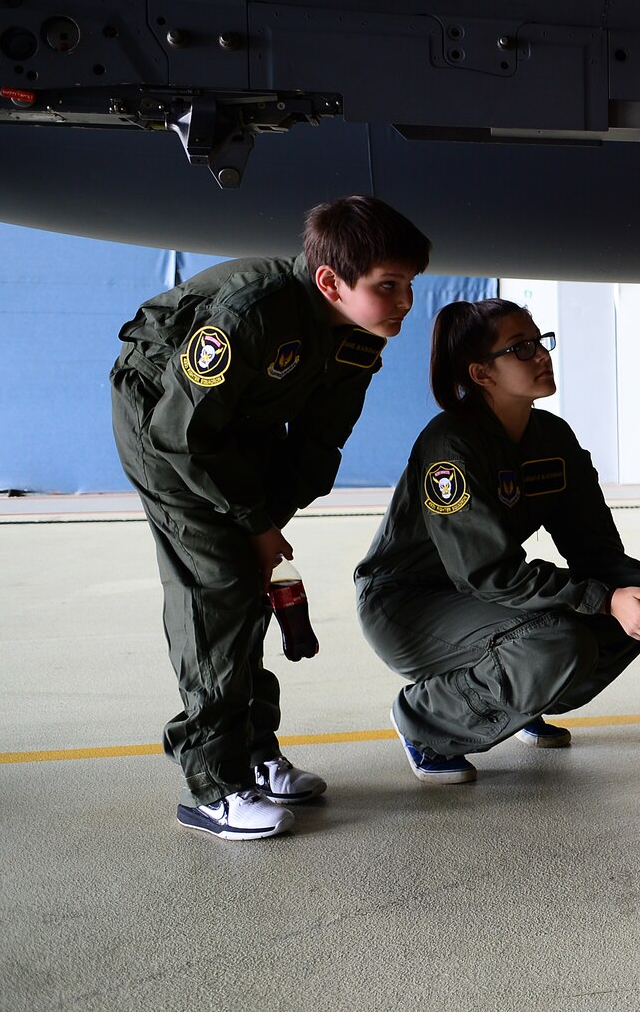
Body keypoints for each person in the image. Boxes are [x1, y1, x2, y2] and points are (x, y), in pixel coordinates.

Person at [110, 194, 430, 840]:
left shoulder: (359, 334)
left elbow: (318, 442)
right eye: (387, 286)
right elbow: (184, 431)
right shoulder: (250, 311)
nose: (403, 302)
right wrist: (252, 525)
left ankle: (254, 754)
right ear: (330, 281)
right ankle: (211, 785)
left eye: (410, 285)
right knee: (218, 588)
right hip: (167, 429)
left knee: (249, 585)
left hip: (236, 429)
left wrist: (268, 523)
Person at [355, 299, 640, 785]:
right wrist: (603, 599)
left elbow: (595, 551)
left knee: (628, 617)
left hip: (482, 599)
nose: (541, 355)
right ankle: (426, 721)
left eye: (540, 342)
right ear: (482, 373)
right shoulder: (449, 445)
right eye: (521, 348)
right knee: (561, 640)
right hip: (408, 604)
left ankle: (515, 702)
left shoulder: (552, 437)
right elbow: (486, 571)